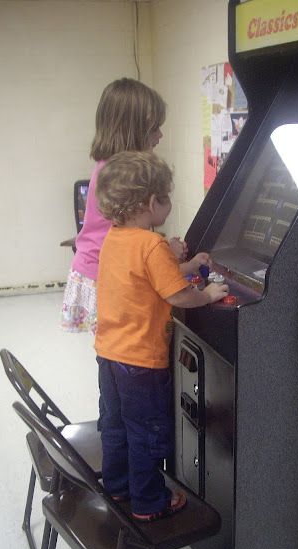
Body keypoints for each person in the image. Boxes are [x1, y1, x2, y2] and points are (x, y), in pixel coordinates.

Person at [94, 151, 229, 521]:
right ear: (153, 202)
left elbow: (152, 277)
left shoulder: (116, 238)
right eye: (167, 198)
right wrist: (207, 295)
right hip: (141, 362)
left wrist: (188, 265)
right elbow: (176, 293)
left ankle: (118, 486)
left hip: (109, 355)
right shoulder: (152, 245)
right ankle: (150, 502)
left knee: (116, 425)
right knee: (147, 433)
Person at [60, 78, 187, 335]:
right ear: (133, 129)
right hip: (105, 274)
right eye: (154, 128)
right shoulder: (121, 177)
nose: (160, 135)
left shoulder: (111, 167)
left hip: (96, 268)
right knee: (123, 349)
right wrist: (165, 253)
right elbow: (129, 249)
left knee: (111, 351)